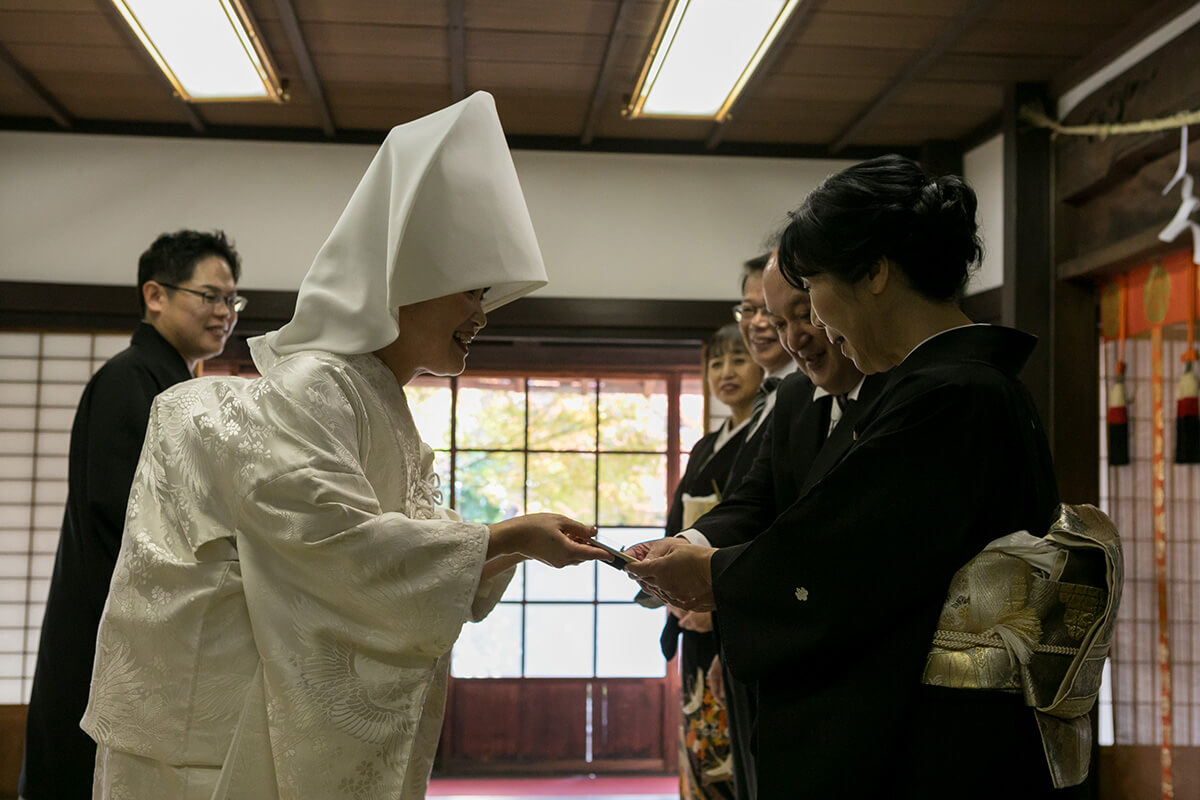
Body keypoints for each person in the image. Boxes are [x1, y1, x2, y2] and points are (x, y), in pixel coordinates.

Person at [82, 92, 607, 799]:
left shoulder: (377, 399)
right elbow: (332, 549)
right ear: (404, 282)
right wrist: (506, 535)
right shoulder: (316, 385)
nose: (483, 314)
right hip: (222, 726)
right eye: (472, 291)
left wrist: (509, 545)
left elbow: (406, 552)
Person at [629, 154, 1062, 798]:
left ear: (876, 273)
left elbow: (841, 558)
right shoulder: (949, 387)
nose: (813, 326)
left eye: (813, 293)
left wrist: (714, 575)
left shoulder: (953, 395)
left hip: (933, 742)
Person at [19, 229, 244, 800]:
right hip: (107, 619)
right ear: (155, 295)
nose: (225, 313)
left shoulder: (173, 383)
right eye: (211, 295)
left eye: (232, 301)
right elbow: (133, 518)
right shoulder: (128, 381)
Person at [682, 253, 882, 800]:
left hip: (864, 665)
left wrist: (717, 578)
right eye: (769, 317)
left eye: (804, 315)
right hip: (770, 646)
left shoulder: (904, 395)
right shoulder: (793, 397)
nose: (790, 337)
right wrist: (686, 545)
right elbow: (753, 501)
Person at [661, 324, 763, 800]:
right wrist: (667, 588)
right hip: (689, 607)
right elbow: (677, 519)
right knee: (699, 742)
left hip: (726, 605)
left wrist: (715, 599)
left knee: (732, 748)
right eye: (716, 363)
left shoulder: (766, 432)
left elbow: (757, 523)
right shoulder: (706, 445)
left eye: (739, 359)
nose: (726, 372)